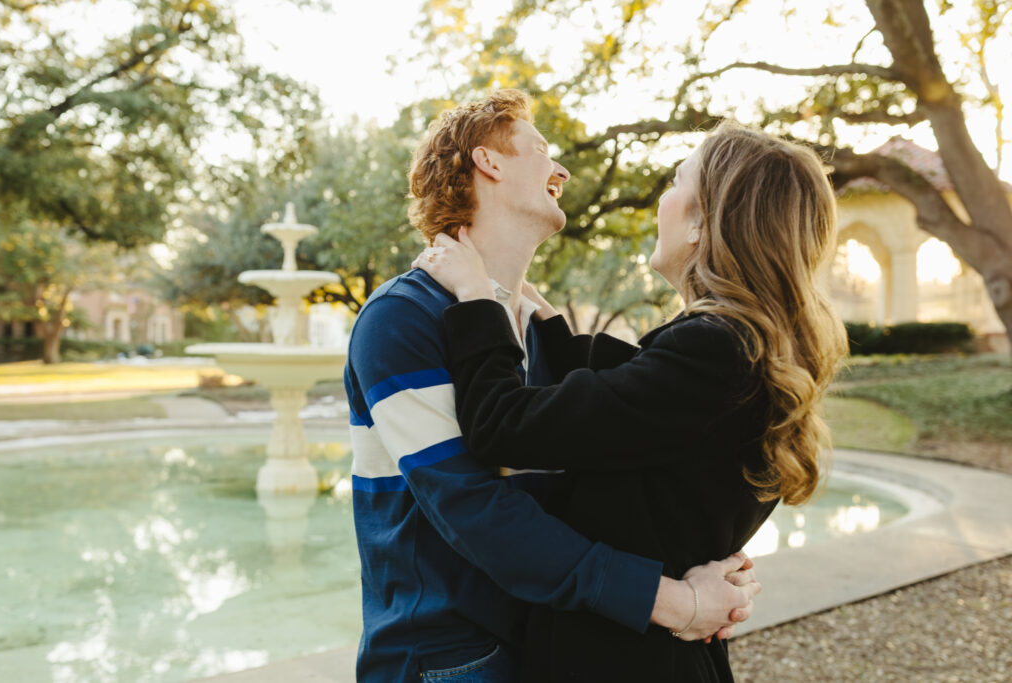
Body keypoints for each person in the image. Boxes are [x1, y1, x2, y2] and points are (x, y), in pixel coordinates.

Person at [344, 91, 761, 682]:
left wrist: (714, 561)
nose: (562, 170)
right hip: (450, 658)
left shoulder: (530, 329)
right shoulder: (403, 318)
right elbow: (473, 506)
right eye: (541, 150)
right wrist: (672, 601)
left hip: (550, 644)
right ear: (488, 162)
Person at [413, 121, 849, 681]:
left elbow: (502, 424)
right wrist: (540, 315)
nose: (663, 198)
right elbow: (626, 398)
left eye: (676, 181)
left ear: (701, 221)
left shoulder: (712, 349)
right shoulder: (746, 348)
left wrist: (478, 300)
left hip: (623, 662)